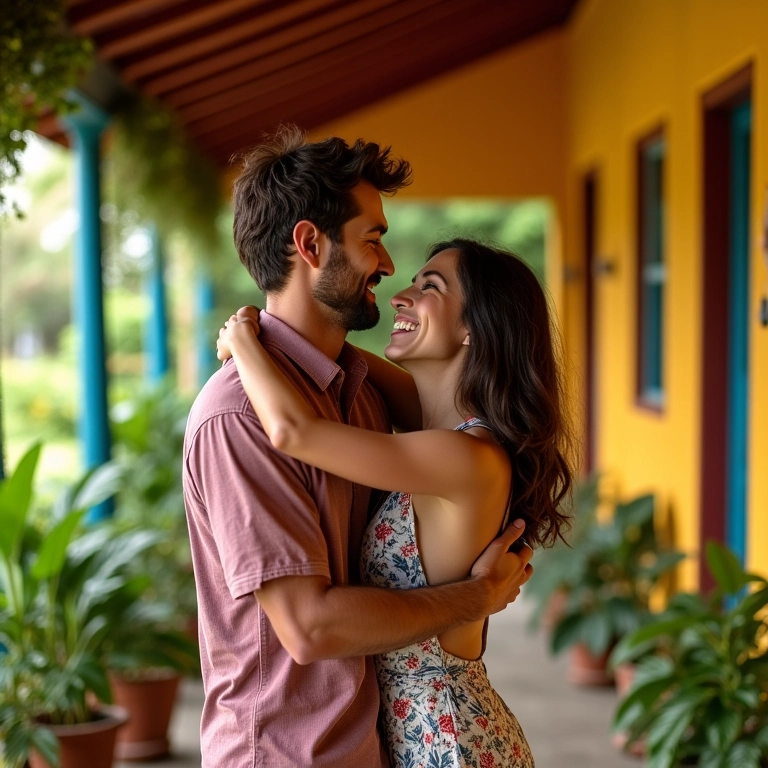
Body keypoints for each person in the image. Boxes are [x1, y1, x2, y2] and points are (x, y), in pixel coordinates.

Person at [182, 126, 535, 768]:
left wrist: (246, 338)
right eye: (373, 239)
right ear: (310, 244)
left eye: (431, 287)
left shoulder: (363, 394)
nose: (391, 268)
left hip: (388, 741)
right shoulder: (239, 416)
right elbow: (310, 628)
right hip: (288, 755)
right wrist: (475, 598)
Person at [217, 237, 573, 768]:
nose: (402, 295)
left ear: (476, 327)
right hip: (420, 732)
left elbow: (294, 432)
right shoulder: (442, 429)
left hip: (447, 741)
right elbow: (324, 349)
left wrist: (243, 340)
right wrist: (275, 329)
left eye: (430, 287)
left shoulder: (465, 456)